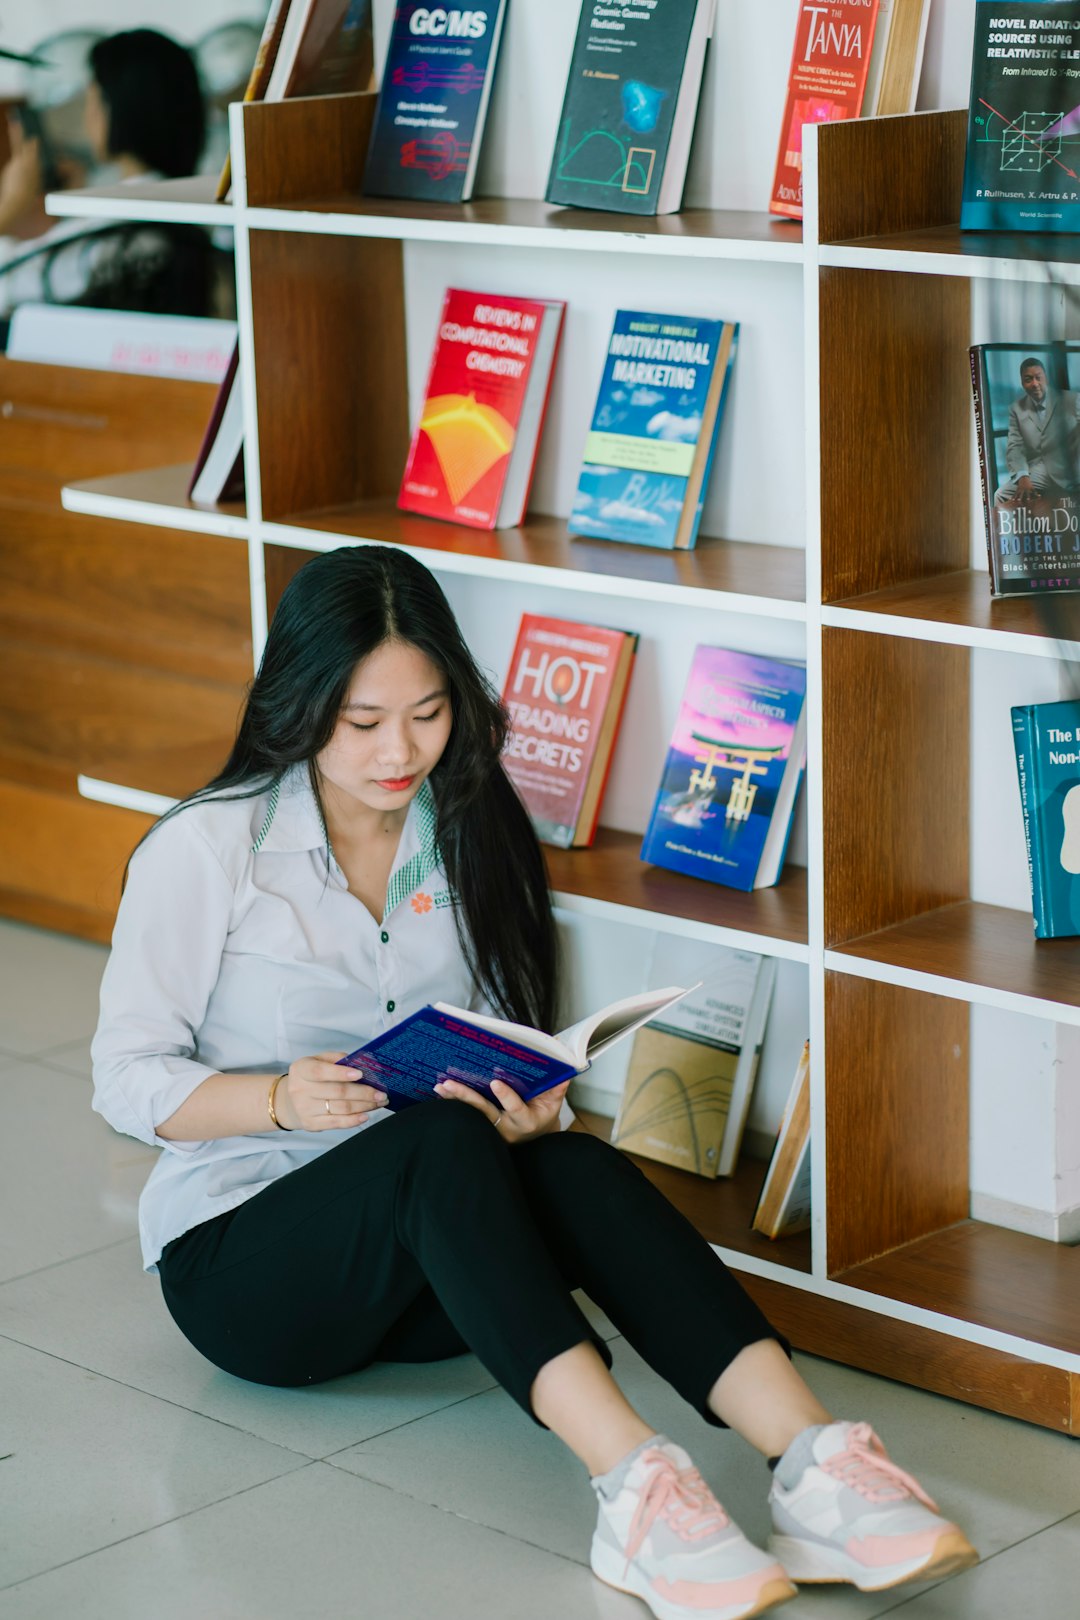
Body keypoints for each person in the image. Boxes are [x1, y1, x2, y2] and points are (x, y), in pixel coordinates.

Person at [91, 545, 978, 1620]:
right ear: (298, 706)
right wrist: (278, 1097)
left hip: (434, 1262)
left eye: (428, 713)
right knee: (431, 1149)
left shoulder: (463, 828)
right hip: (249, 1270)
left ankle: (817, 1466)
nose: (401, 751)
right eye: (363, 724)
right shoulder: (208, 849)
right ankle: (641, 1491)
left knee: (563, 1162)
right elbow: (125, 1079)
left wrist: (527, 1105)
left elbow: (487, 1026)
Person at [0, 29, 214, 318]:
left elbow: (10, 288)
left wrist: (9, 208)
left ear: (116, 108)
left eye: (92, 99)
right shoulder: (195, 212)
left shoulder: (114, 227)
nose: (89, 115)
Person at [994, 355, 1080, 508]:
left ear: (1045, 378)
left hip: (1071, 467)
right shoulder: (1016, 409)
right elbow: (1015, 447)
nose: (1035, 384)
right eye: (1028, 379)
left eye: (1038, 377)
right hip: (1041, 471)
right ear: (1022, 383)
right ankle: (1011, 532)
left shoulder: (1072, 400)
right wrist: (1023, 477)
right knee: (1000, 494)